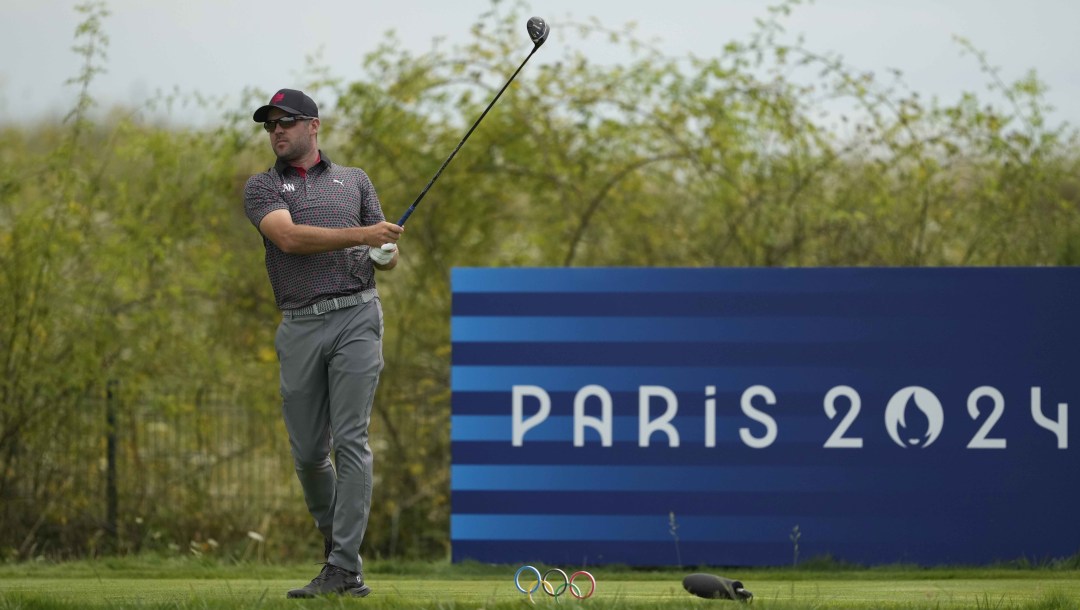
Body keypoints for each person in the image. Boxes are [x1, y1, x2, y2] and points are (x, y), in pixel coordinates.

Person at [243, 88, 403, 598]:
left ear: (313, 126)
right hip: (299, 324)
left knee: (352, 439)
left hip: (357, 313)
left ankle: (341, 565)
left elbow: (387, 253)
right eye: (270, 125)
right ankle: (342, 556)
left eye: (286, 122)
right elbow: (288, 239)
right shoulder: (261, 189)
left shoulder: (355, 181)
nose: (277, 132)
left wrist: (384, 250)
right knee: (310, 453)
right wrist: (364, 237)